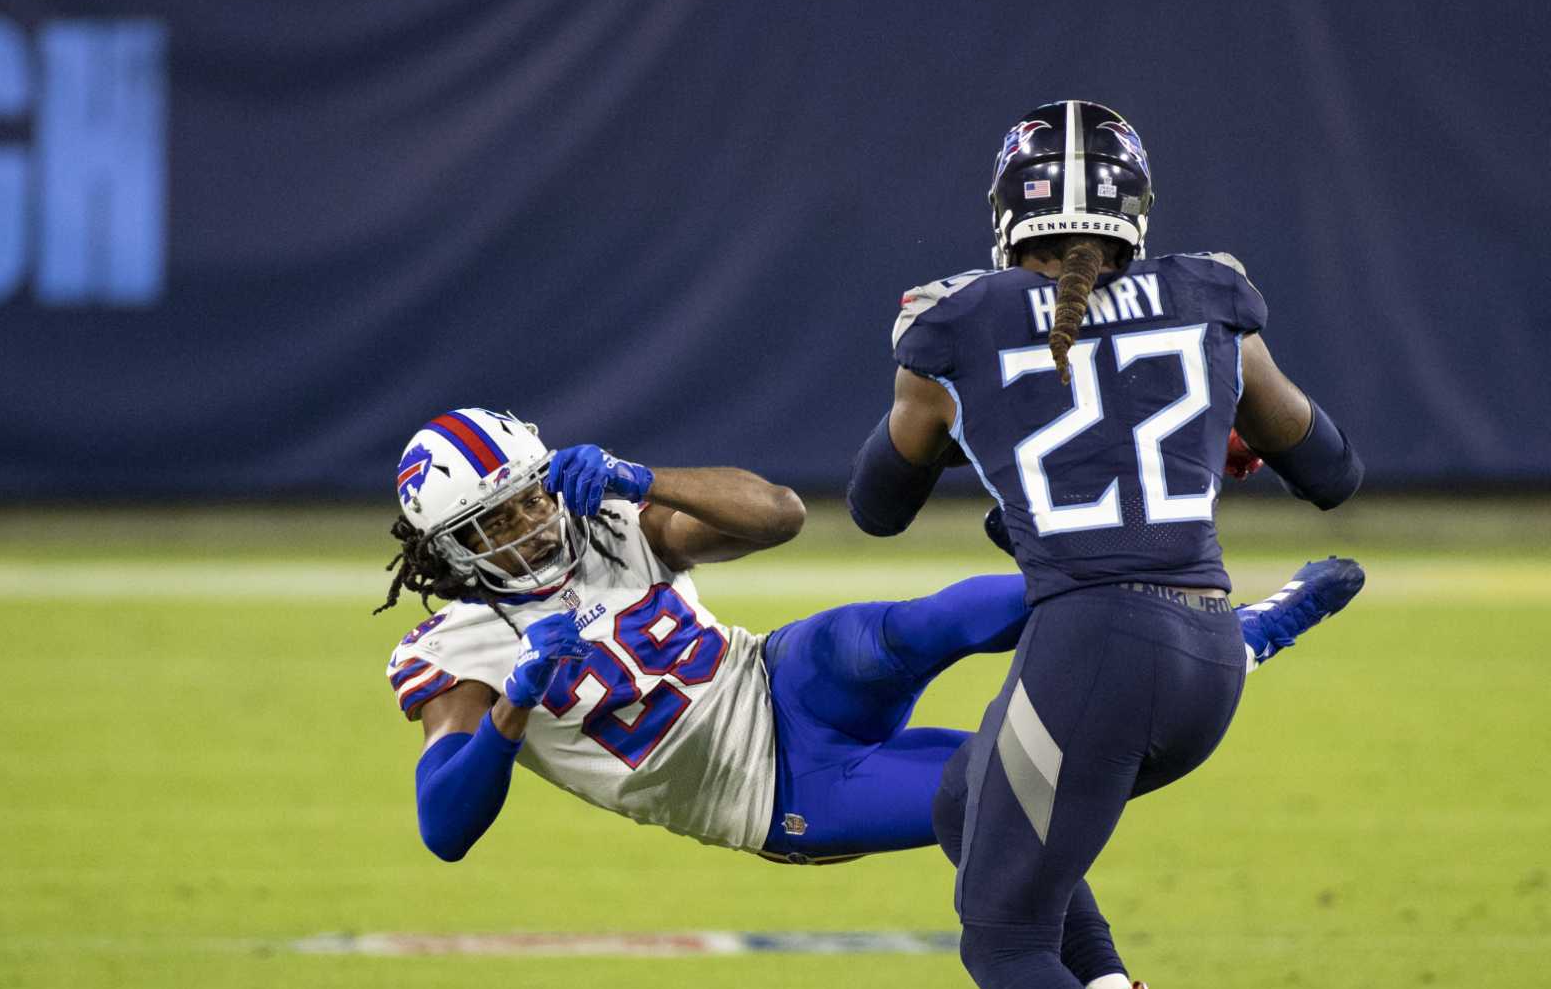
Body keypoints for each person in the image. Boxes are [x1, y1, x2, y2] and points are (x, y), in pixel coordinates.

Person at [846, 99, 1366, 989]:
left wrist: (954, 406)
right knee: (957, 802)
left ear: (1003, 212)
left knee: (1000, 934)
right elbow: (1328, 468)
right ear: (1134, 210)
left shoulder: (952, 320)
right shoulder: (1212, 294)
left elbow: (877, 504)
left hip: (1091, 654)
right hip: (1195, 648)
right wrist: (1220, 433)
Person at [378, 403, 1354, 886]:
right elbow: (442, 827)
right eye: (499, 519)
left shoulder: (602, 522)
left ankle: (1184, 604)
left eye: (531, 494)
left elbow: (777, 515)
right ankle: (1229, 646)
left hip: (783, 673)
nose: (532, 523)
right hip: (778, 796)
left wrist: (641, 477)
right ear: (453, 544)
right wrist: (513, 701)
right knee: (1016, 780)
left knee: (950, 613)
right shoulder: (457, 649)